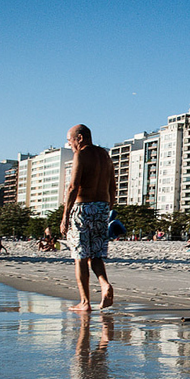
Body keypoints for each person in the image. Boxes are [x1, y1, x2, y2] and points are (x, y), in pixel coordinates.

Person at [60, 124, 115, 312]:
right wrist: (107, 209)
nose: (70, 145)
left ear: (80, 138)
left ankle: (85, 302)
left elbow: (73, 186)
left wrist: (65, 216)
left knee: (80, 256)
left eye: (70, 141)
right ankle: (105, 285)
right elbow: (112, 187)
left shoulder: (81, 155)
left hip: (83, 208)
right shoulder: (105, 155)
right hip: (102, 207)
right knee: (96, 254)